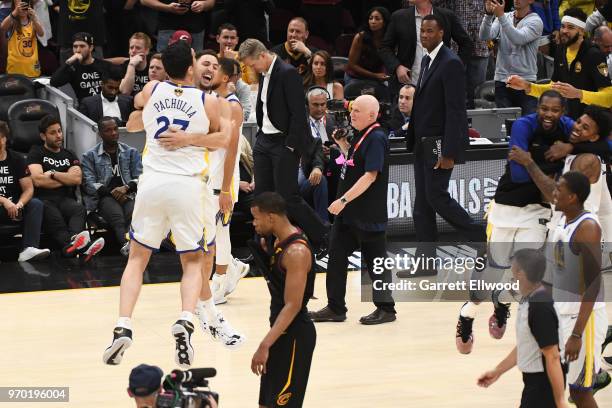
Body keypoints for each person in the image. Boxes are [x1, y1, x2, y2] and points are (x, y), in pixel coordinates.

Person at [102, 42, 230, 368]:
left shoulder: (153, 88)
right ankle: (186, 321)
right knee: (191, 262)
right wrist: (190, 139)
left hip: (151, 184)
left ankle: (123, 325)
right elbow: (223, 140)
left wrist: (141, 118)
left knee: (137, 259)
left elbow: (137, 108)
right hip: (187, 186)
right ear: (191, 67)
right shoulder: (209, 101)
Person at [456, 90, 573, 354]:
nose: (549, 115)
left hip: (539, 211)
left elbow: (601, 144)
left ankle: (504, 304)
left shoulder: (569, 129)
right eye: (545, 108)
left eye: (555, 110)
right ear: (538, 107)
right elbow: (519, 174)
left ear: (563, 112)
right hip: (506, 207)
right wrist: (552, 169)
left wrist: (568, 149)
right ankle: (468, 313)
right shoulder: (524, 125)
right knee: (493, 269)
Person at [406, 15, 486, 275]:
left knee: (436, 197)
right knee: (422, 206)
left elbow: (455, 111)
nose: (424, 35)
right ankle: (426, 264)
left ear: (442, 33)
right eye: (422, 31)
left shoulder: (450, 62)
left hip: (440, 144)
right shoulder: (428, 60)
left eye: (430, 31)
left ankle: (481, 237)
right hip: (423, 143)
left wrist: (450, 152)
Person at [309, 95, 396, 325]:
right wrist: (344, 147)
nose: (352, 114)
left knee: (375, 263)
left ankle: (386, 308)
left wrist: (343, 200)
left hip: (368, 213)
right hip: (349, 215)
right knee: (336, 257)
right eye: (352, 109)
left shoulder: (376, 137)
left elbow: (370, 176)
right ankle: (336, 307)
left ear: (372, 115)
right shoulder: (360, 135)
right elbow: (356, 163)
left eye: (357, 111)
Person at [239, 39, 329, 253]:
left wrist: (290, 145)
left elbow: (298, 113)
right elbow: (264, 106)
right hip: (264, 140)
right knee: (261, 197)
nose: (251, 69)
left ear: (262, 56)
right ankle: (263, 245)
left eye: (252, 64)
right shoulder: (263, 73)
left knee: (287, 198)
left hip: (283, 142)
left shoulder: (288, 73)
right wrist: (261, 135)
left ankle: (322, 236)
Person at [477, 248, 568, 408]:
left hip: (543, 387)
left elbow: (552, 356)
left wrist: (560, 401)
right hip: (534, 385)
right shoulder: (529, 300)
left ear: (521, 274)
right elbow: (527, 345)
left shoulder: (539, 308)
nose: (511, 277)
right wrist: (497, 371)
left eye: (513, 271)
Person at [249, 192, 316, 408]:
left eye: (256, 218)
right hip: (279, 330)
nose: (253, 223)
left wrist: (264, 345)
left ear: (271, 218)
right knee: (266, 404)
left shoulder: (296, 252)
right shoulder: (275, 239)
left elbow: (293, 305)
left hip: (294, 336)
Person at [550, 171, 608, 407]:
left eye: (558, 191)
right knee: (564, 386)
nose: (553, 194)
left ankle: (595, 373)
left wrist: (576, 334)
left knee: (580, 392)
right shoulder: (564, 219)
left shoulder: (588, 228)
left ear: (572, 197)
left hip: (583, 321)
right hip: (562, 313)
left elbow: (594, 283)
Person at [506, 8, 612, 118]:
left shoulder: (594, 55)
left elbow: (609, 98)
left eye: (570, 27)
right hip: (568, 121)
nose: (564, 31)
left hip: (591, 122)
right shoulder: (560, 51)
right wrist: (527, 86)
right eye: (563, 26)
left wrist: (579, 94)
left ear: (581, 31)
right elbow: (554, 89)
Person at [204, 57, 251, 308]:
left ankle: (220, 280)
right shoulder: (214, 101)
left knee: (218, 232)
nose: (210, 71)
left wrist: (225, 189)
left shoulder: (232, 107)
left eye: (215, 68)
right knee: (211, 231)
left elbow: (232, 152)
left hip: (224, 178)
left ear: (226, 77)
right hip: (209, 173)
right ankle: (232, 266)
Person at [27, 115, 104, 261]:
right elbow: (37, 180)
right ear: (43, 136)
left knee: (79, 209)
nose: (58, 136)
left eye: (60, 131)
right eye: (53, 133)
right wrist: (65, 178)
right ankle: (82, 247)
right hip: (44, 199)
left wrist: (53, 174)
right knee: (55, 217)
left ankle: (73, 243)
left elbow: (76, 179)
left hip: (64, 199)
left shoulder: (69, 154)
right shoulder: (36, 152)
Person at [379, 0, 472, 93]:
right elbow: (385, 47)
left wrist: (454, 67)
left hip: (439, 84)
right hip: (407, 84)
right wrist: (397, 67)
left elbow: (466, 44)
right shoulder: (399, 16)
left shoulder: (447, 16)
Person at [81, 117, 142, 256]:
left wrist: (126, 188)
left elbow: (141, 177)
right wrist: (113, 193)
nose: (113, 132)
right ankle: (127, 247)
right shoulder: (90, 156)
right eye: (108, 130)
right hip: (103, 198)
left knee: (133, 213)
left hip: (128, 193)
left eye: (115, 129)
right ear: (100, 133)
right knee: (117, 217)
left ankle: (132, 246)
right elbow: (88, 183)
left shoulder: (131, 152)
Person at [479, 0, 543, 115]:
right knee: (505, 124)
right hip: (502, 81)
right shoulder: (505, 16)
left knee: (527, 125)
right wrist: (488, 15)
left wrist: (501, 16)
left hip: (525, 80)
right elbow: (485, 36)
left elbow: (518, 39)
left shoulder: (536, 21)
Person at [0, 121, 49, 262]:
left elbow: (28, 189)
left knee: (35, 204)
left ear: (4, 139)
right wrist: (4, 201)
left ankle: (29, 249)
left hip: (14, 207)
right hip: (3, 204)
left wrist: (19, 204)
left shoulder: (17, 159)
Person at [435, 0, 491, 108]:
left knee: (478, 94)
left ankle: (477, 123)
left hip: (479, 45)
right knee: (454, 91)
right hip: (454, 47)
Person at [50, 32, 112, 102]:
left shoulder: (103, 65)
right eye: (75, 46)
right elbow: (54, 82)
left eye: (82, 46)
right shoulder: (73, 68)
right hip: (85, 109)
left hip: (105, 105)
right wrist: (68, 62)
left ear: (91, 48)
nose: (78, 50)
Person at [301, 86, 331, 223]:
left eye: (322, 104)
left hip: (330, 169)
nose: (319, 109)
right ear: (307, 105)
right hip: (297, 179)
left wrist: (336, 150)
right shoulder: (300, 125)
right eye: (315, 105)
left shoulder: (332, 121)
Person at [140, 0, 214, 52]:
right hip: (168, 27)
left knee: (195, 63)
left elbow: (211, 2)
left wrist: (203, 4)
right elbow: (144, 1)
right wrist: (167, 7)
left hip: (196, 28)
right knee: (164, 63)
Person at [345, 6, 391, 85]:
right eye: (371, 18)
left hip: (377, 76)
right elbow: (351, 65)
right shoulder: (360, 37)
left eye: (377, 19)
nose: (373, 21)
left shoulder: (388, 38)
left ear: (384, 22)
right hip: (355, 76)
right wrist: (374, 75)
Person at [1, 0, 44, 78]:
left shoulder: (33, 22)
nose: (22, 8)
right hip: (15, 70)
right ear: (14, 6)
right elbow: (3, 27)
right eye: (20, 5)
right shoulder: (12, 21)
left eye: (25, 5)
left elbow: (41, 33)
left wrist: (34, 18)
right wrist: (15, 12)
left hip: (32, 68)